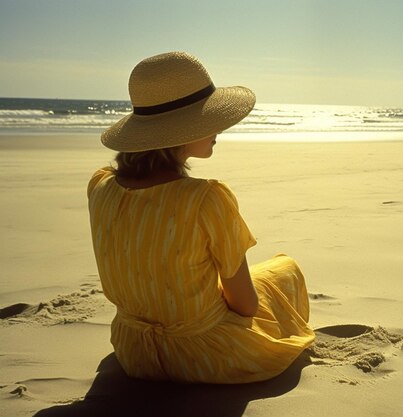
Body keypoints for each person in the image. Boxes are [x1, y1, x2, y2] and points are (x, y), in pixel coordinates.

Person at [87, 52, 315, 384]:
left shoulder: (100, 185)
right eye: (206, 119)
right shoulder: (206, 199)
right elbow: (246, 305)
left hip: (134, 354)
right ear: (178, 133)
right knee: (285, 269)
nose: (218, 128)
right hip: (207, 358)